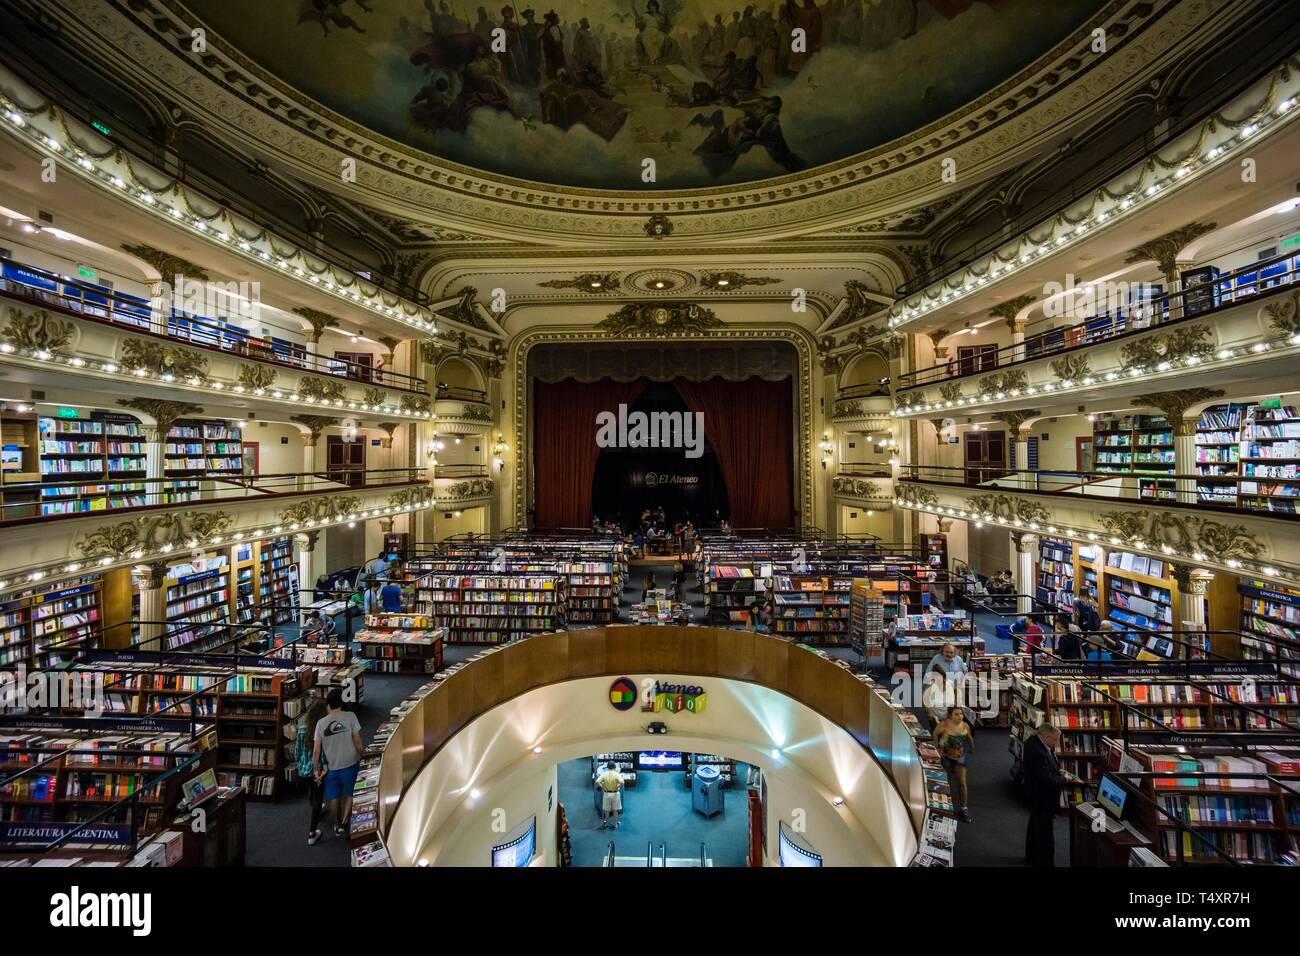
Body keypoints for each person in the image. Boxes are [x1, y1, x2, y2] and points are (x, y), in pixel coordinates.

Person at [312, 688, 364, 836]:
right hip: (351, 762)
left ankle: (337, 824)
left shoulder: (321, 724)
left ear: (328, 705)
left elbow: (316, 750)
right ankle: (345, 821)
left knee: (334, 797)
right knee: (351, 793)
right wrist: (362, 753)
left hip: (332, 765)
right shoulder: (350, 716)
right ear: (341, 703)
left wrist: (316, 770)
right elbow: (357, 739)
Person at [1023, 724, 1070, 866]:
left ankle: (1031, 857)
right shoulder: (1039, 753)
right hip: (1042, 798)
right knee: (1045, 835)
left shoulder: (1033, 741)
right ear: (1046, 737)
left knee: (1034, 827)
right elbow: (1046, 780)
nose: (1056, 744)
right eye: (1055, 740)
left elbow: (1046, 769)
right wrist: (1065, 779)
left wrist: (1057, 771)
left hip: (1035, 796)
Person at [934, 704, 973, 822]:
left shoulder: (965, 725)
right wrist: (937, 748)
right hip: (946, 756)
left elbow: (969, 737)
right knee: (946, 782)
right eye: (956, 714)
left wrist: (971, 746)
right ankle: (945, 808)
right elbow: (935, 734)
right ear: (950, 716)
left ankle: (964, 809)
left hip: (960, 756)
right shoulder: (943, 725)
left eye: (961, 714)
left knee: (961, 783)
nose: (959, 716)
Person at [296, 716, 326, 845]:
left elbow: (297, 751)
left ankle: (315, 809)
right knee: (318, 798)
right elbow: (322, 753)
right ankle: (312, 833)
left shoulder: (302, 730)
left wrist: (299, 763)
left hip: (303, 769)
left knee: (311, 791)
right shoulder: (322, 731)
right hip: (317, 770)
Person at [596, 760, 623, 829]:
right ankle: (615, 824)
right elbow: (622, 782)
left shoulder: (604, 774)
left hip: (607, 793)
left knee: (607, 810)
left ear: (607, 767)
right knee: (615, 810)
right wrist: (618, 787)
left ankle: (606, 824)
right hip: (615, 793)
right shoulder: (616, 774)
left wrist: (603, 787)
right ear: (614, 767)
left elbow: (597, 782)